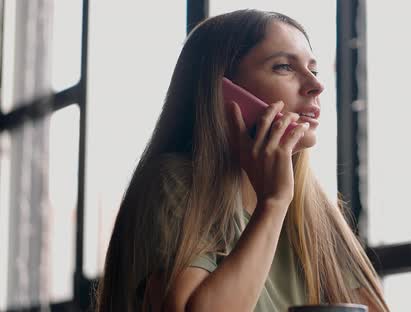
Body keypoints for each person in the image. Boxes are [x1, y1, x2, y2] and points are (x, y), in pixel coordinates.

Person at [95, 9, 389, 312]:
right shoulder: (174, 181)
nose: (316, 86)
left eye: (313, 70)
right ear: (223, 92)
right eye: (284, 67)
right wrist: (273, 204)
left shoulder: (310, 207)